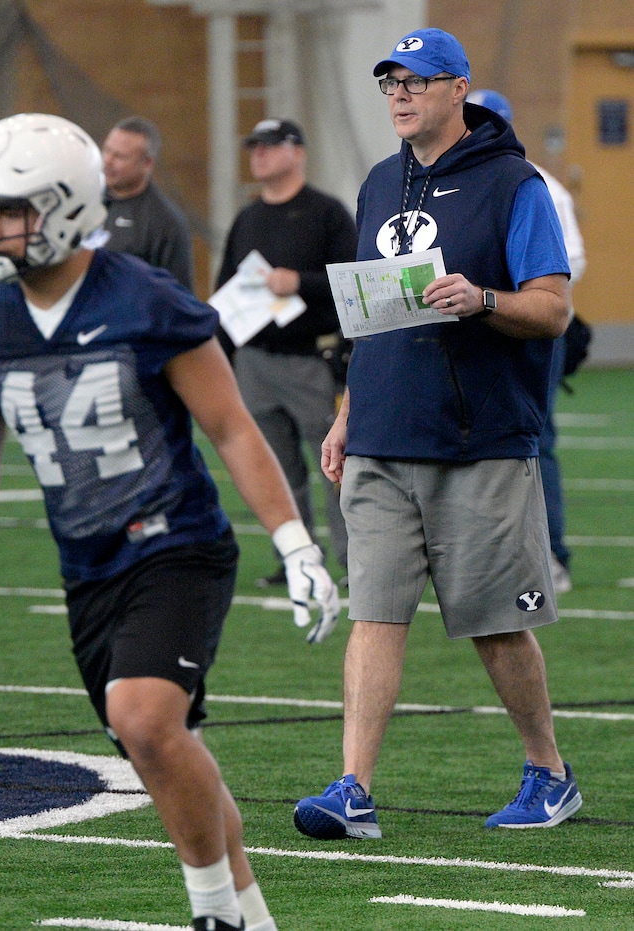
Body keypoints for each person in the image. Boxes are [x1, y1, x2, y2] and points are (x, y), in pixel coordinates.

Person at [0, 112, 340, 931]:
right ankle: (256, 919)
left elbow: (231, 426)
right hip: (87, 571)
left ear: (68, 206)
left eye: (10, 210)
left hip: (177, 547)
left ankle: (213, 913)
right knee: (162, 749)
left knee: (143, 718)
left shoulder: (145, 300)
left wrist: (294, 543)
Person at [293, 28, 583, 839]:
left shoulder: (514, 184)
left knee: (496, 623)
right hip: (384, 438)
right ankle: (353, 787)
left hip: (480, 441)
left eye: (416, 82)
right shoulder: (380, 183)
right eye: (390, 83)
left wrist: (483, 299)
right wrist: (350, 415)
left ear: (459, 89)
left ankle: (548, 771)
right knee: (375, 613)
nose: (399, 95)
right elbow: (368, 319)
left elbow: (553, 307)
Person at [215, 119, 359, 586]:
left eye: (270, 146)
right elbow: (224, 289)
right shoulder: (248, 217)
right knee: (275, 467)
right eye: (254, 146)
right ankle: (299, 559)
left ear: (297, 152)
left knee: (334, 465)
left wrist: (299, 282)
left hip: (310, 361)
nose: (258, 154)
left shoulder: (326, 212)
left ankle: (354, 563)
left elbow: (353, 281)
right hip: (255, 361)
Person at [466, 89, 587, 595]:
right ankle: (483, 557)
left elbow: (571, 263)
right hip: (478, 325)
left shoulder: (536, 184)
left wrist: (512, 294)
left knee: (537, 437)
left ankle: (552, 556)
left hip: (529, 327)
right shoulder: (462, 180)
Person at [101, 115, 194, 289]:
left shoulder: (166, 224)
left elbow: (179, 297)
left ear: (147, 163)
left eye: (120, 156)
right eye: (107, 150)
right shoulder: (84, 201)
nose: (108, 161)